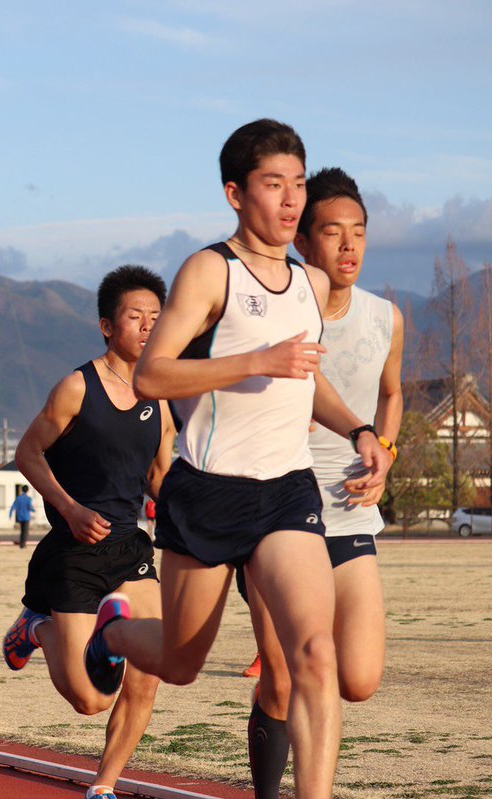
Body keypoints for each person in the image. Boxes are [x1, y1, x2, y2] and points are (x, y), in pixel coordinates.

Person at [85, 120, 393, 799]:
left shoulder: (309, 281)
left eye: (298, 184)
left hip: (286, 492)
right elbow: (153, 377)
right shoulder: (209, 270)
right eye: (273, 184)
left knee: (315, 652)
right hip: (208, 489)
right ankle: (115, 630)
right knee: (181, 660)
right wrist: (255, 361)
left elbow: (309, 381)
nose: (290, 201)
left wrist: (361, 429)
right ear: (235, 193)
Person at [240, 167, 403, 798]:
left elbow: (390, 395)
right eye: (332, 233)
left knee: (357, 678)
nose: (348, 247)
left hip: (351, 512)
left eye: (358, 232)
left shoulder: (386, 317)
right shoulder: (279, 306)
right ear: (303, 241)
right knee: (284, 678)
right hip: (276, 510)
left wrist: (383, 451)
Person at [2, 265, 175, 799]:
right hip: (75, 548)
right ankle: (35, 629)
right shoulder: (77, 386)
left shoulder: (160, 396)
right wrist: (70, 509)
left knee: (148, 673)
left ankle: (103, 787)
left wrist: (191, 519)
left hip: (129, 547)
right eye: (135, 317)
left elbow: (159, 474)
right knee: (91, 698)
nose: (147, 327)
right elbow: (27, 453)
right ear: (107, 325)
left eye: (155, 318)